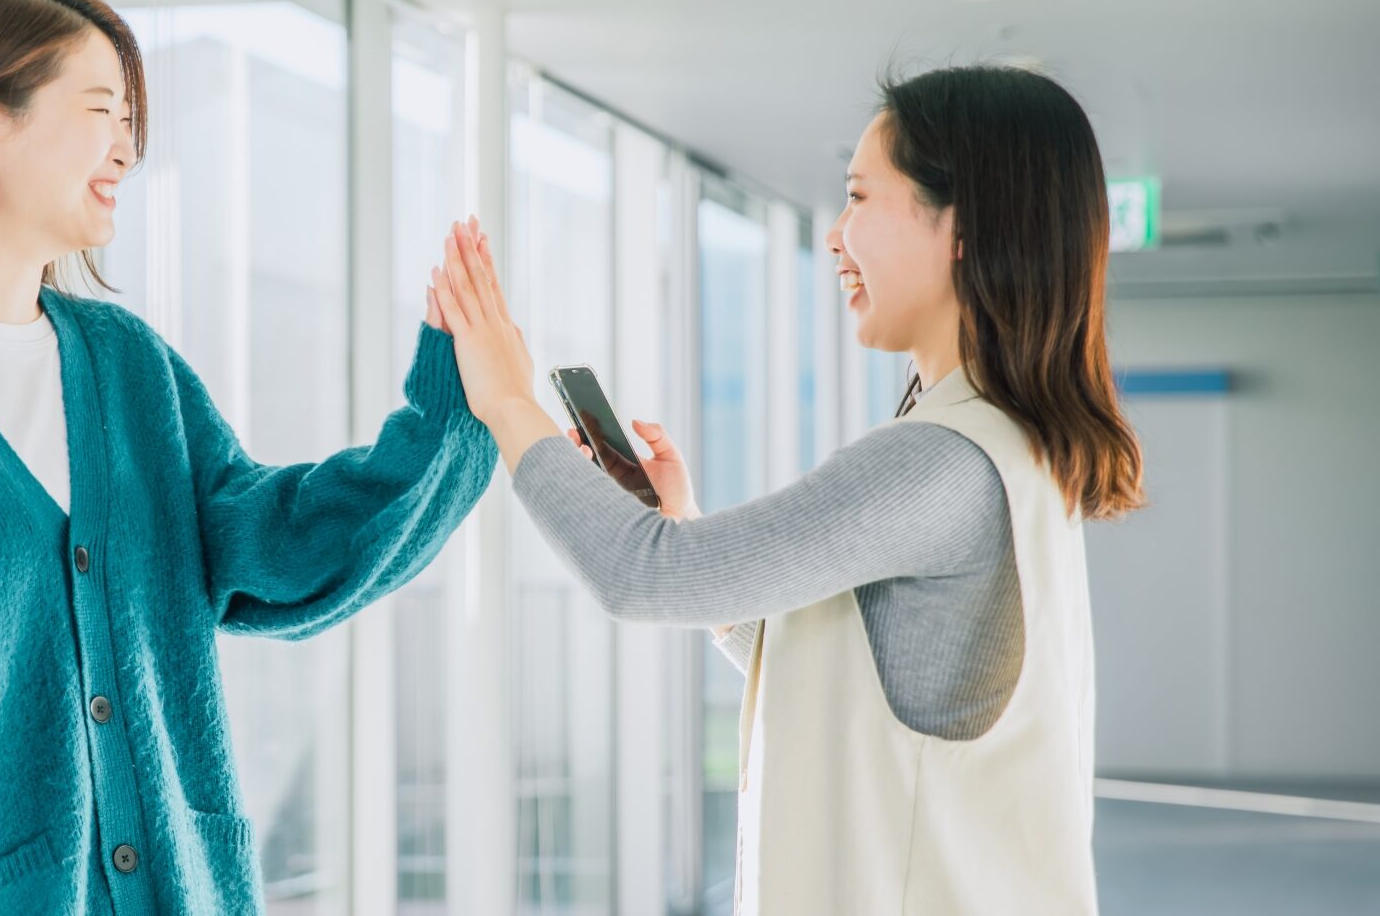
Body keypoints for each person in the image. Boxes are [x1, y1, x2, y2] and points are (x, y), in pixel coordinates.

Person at [0, 0, 497, 915]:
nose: (128, 150)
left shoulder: (129, 368)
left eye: (131, 121)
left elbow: (280, 555)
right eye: (100, 112)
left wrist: (456, 407)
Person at [430, 65, 1144, 914]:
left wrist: (508, 402)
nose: (838, 236)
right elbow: (876, 677)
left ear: (963, 227)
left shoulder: (941, 460)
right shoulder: (1016, 450)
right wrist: (683, 523)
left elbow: (642, 574)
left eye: (861, 198)